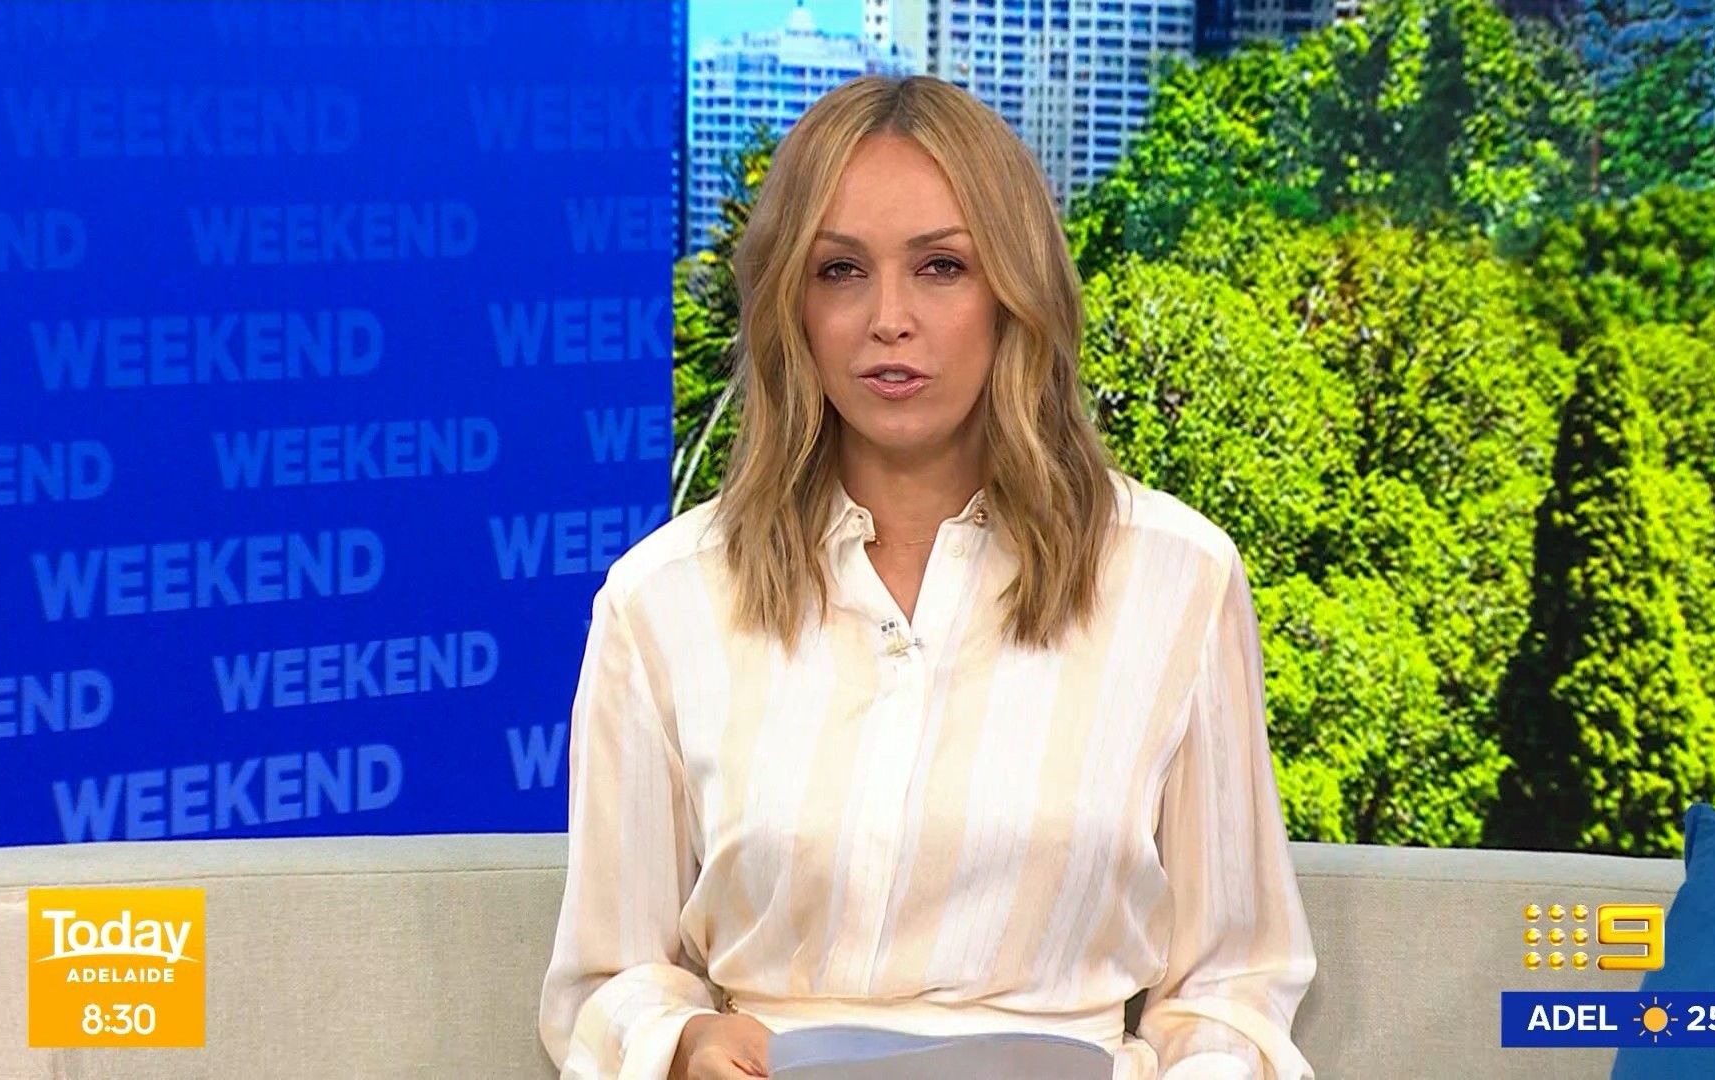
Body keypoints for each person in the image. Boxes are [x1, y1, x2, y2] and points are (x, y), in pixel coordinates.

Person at [537, 73, 1316, 1080]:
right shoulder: (662, 598)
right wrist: (681, 1043)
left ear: (1014, 293)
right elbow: (605, 978)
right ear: (791, 305)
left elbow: (1233, 985)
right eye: (840, 271)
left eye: (942, 266)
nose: (888, 318)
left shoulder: (1178, 578)